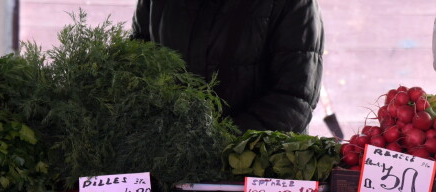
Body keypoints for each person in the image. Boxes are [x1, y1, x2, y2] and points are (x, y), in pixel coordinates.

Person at [131, 0, 325, 133]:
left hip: (253, 167)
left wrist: (222, 144)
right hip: (169, 161)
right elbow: (136, 64)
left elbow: (294, 97)